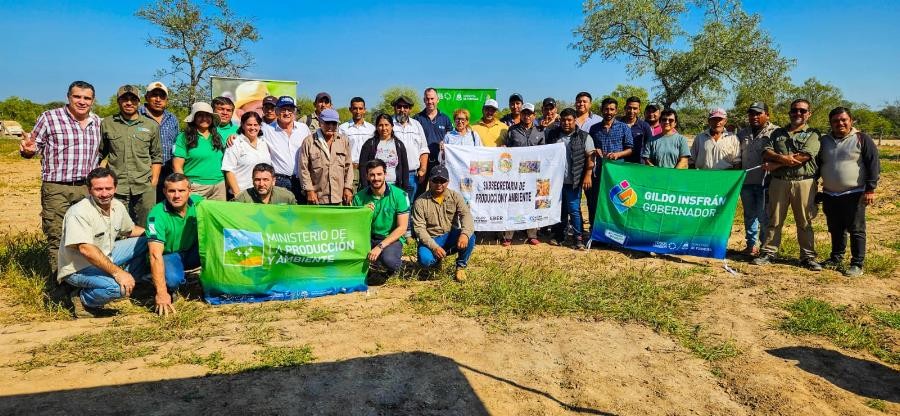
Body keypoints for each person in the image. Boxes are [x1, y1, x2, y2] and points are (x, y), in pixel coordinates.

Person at [20, 80, 101, 295]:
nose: (82, 102)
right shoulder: (50, 118)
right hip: (56, 187)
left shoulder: (98, 122)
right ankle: (60, 287)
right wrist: (28, 150)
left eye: (87, 98)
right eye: (77, 97)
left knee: (85, 236)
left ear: (93, 100)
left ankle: (81, 284)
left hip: (86, 189)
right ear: (68, 97)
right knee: (57, 235)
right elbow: (32, 147)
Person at [57, 168, 148, 318]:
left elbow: (130, 230)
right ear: (89, 190)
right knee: (117, 289)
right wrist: (118, 273)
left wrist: (156, 235)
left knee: (146, 242)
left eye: (108, 188)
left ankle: (134, 284)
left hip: (107, 254)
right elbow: (86, 250)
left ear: (115, 188)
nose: (104, 194)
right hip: (79, 268)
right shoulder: (79, 212)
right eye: (98, 189)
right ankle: (82, 299)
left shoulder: (117, 206)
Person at [753, 99, 822, 271]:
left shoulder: (813, 134)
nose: (798, 113)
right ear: (790, 112)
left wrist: (776, 164)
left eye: (802, 111)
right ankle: (768, 253)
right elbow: (766, 151)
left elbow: (805, 155)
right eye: (795, 110)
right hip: (779, 182)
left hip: (804, 182)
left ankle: (808, 257)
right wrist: (782, 158)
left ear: (809, 114)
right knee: (774, 220)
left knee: (804, 221)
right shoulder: (777, 133)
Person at [817, 107, 881, 277]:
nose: (840, 123)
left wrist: (870, 189)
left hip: (855, 193)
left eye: (843, 120)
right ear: (831, 123)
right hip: (830, 194)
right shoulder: (824, 141)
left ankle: (857, 264)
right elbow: (818, 165)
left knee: (856, 229)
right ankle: (836, 258)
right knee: (835, 228)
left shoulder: (862, 138)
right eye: (836, 121)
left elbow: (873, 164)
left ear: (851, 121)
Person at [100, 84, 162, 226]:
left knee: (148, 226)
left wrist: (153, 182)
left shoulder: (150, 125)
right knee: (117, 226)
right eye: (125, 99)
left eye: (133, 99)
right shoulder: (107, 123)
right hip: (117, 187)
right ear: (118, 101)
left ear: (139, 101)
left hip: (144, 186)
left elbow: (157, 156)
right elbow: (100, 154)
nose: (129, 103)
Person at [146, 173, 203, 316]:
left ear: (190, 191)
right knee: (173, 281)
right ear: (164, 192)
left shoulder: (200, 203)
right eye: (172, 191)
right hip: (169, 255)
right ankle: (164, 283)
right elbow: (155, 255)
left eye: (181, 190)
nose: (177, 195)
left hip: (193, 251)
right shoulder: (155, 215)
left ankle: (212, 285)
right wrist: (161, 293)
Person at [412, 165, 476, 282]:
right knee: (425, 261)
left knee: (470, 236)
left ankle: (461, 266)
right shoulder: (420, 202)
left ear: (448, 182)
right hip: (431, 239)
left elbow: (466, 215)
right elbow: (419, 229)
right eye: (435, 180)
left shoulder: (455, 196)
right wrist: (435, 247)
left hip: (450, 236)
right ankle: (436, 262)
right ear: (430, 181)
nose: (439, 184)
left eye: (442, 181)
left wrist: (464, 234)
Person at [352, 159, 409, 284]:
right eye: (372, 175)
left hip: (390, 239)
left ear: (385, 174)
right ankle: (375, 265)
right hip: (367, 238)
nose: (376, 178)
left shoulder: (399, 195)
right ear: (367, 176)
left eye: (379, 174)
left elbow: (402, 228)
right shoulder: (359, 197)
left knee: (389, 260)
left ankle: (399, 267)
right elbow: (354, 227)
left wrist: (380, 247)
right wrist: (362, 213)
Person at [545, 108, 593, 249]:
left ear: (575, 120)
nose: (566, 123)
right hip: (557, 182)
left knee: (574, 209)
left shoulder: (584, 136)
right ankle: (559, 235)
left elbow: (590, 157)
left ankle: (578, 238)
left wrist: (588, 175)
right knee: (560, 209)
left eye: (569, 120)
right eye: (564, 120)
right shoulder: (553, 135)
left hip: (574, 181)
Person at [737, 102, 778, 256]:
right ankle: (751, 245)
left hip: (766, 182)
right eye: (751, 114)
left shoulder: (776, 132)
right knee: (749, 215)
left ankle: (764, 247)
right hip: (746, 181)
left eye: (758, 113)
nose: (754, 117)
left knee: (764, 217)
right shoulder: (742, 133)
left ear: (767, 115)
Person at [586, 98, 633, 230]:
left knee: (617, 202)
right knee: (596, 202)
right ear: (602, 110)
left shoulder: (624, 127)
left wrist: (618, 154)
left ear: (616, 111)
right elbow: (590, 149)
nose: (609, 112)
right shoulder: (594, 128)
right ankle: (595, 231)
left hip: (617, 173)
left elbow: (630, 149)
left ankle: (615, 231)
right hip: (599, 172)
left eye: (612, 109)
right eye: (606, 109)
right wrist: (596, 150)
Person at [502, 103, 545, 246]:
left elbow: (544, 152)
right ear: (521, 114)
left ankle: (532, 234)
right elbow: (507, 150)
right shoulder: (512, 130)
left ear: (534, 115)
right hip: (516, 174)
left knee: (531, 203)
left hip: (533, 175)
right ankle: (508, 235)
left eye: (529, 113)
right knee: (514, 202)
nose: (527, 116)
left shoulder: (540, 131)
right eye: (524, 113)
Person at [260, 96, 313, 202]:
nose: (287, 113)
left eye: (290, 109)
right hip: (279, 181)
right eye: (283, 109)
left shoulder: (303, 128)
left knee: (301, 210)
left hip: (301, 180)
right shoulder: (266, 130)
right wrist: (235, 136)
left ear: (294, 112)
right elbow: (249, 137)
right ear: (276, 111)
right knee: (280, 211)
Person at [298, 108, 354, 205]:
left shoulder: (343, 141)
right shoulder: (309, 142)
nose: (331, 126)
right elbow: (303, 168)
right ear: (320, 123)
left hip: (339, 197)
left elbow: (348, 167)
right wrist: (309, 190)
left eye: (334, 123)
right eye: (327, 123)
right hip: (317, 198)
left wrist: (348, 187)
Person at [172, 102, 227, 200]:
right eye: (200, 115)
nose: (204, 118)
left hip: (219, 186)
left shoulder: (218, 136)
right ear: (194, 118)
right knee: (194, 210)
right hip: (195, 187)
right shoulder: (184, 137)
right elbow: (177, 166)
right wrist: (184, 186)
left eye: (207, 115)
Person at [140, 82, 180, 202]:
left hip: (167, 172)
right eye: (154, 95)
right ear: (146, 97)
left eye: (162, 96)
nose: (158, 99)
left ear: (167, 100)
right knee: (145, 206)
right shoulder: (137, 115)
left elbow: (176, 144)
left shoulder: (172, 119)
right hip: (144, 172)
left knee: (165, 206)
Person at [223, 112, 272, 196]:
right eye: (249, 125)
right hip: (242, 193)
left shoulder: (264, 142)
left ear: (260, 126)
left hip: (262, 193)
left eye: (255, 125)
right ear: (242, 125)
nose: (253, 128)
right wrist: (237, 194)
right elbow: (228, 170)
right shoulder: (235, 143)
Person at [358, 113, 410, 191]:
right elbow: (362, 167)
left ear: (392, 126)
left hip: (394, 187)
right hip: (374, 187)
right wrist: (366, 188)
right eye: (380, 125)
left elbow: (405, 168)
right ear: (376, 127)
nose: (384, 128)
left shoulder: (399, 145)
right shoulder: (369, 144)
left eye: (386, 125)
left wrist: (404, 189)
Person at [391, 95, 429, 199]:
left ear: (410, 109)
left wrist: (423, 169)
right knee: (392, 203)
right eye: (399, 106)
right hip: (392, 175)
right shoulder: (388, 124)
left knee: (410, 204)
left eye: (405, 107)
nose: (402, 109)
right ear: (394, 108)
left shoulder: (417, 125)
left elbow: (423, 149)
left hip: (412, 175)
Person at [414, 87, 453, 174]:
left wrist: (445, 144)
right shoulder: (417, 118)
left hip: (440, 162)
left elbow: (451, 139)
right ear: (424, 100)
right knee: (421, 184)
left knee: (439, 183)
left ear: (437, 100)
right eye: (427, 99)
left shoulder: (445, 118)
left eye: (432, 98)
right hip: (422, 162)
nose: (430, 101)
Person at [339, 96, 376, 169]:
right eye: (355, 108)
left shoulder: (372, 129)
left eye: (360, 108)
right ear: (350, 109)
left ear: (364, 110)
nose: (358, 111)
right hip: (349, 167)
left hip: (368, 167)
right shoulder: (342, 128)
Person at [233, 163, 297, 204]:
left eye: (266, 180)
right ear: (252, 180)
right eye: (257, 180)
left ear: (273, 181)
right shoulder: (243, 198)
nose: (261, 184)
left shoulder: (287, 197)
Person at [619, 96, 653, 164]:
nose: (632, 111)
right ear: (625, 108)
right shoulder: (617, 123)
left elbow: (649, 146)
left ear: (639, 110)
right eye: (629, 108)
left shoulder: (645, 126)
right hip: (619, 163)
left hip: (638, 164)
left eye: (635, 108)